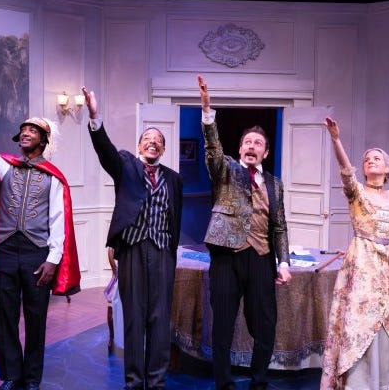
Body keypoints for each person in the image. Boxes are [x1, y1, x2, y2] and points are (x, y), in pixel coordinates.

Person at [0, 79, 80, 390]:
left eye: (32, 130)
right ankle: (11, 375)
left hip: (37, 255)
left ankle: (32, 378)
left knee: (36, 319)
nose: (25, 133)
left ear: (43, 139)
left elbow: (58, 222)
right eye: (23, 130)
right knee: (4, 318)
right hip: (4, 251)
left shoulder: (54, 178)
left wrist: (53, 260)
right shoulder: (4, 167)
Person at [82, 86, 183, 389]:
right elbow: (105, 150)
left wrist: (170, 249)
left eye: (158, 141)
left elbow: (174, 218)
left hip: (163, 251)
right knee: (135, 317)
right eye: (148, 139)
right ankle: (134, 381)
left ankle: (156, 380)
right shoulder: (125, 165)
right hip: (133, 250)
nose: (153, 143)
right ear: (139, 146)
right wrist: (94, 115)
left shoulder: (174, 179)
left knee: (159, 318)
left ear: (163, 150)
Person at [197, 75, 291, 390]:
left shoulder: (275, 184)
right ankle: (223, 382)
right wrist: (208, 111)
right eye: (247, 142)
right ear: (240, 148)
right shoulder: (225, 169)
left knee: (265, 325)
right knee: (223, 324)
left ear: (265, 152)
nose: (252, 146)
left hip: (262, 259)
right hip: (227, 255)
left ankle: (259, 381)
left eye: (258, 143)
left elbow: (280, 225)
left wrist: (284, 262)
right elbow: (212, 148)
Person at [319, 117, 389, 390]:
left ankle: (387, 381)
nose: (370, 161)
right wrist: (336, 139)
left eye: (376, 158)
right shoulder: (358, 193)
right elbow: (345, 171)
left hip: (388, 265)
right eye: (367, 160)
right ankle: (360, 382)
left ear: (387, 169)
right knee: (360, 319)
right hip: (362, 261)